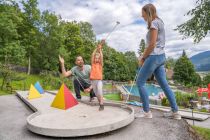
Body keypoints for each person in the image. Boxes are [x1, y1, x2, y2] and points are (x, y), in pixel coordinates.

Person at [136, 3, 181, 120]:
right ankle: (175, 112)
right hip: (161, 57)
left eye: (143, 14)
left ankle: (146, 112)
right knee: (164, 85)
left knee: (140, 82)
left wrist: (143, 58)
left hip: (154, 57)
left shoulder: (154, 23)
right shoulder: (160, 21)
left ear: (148, 13)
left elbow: (152, 44)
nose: (142, 16)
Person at [90, 40, 105, 111]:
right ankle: (101, 104)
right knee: (97, 94)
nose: (97, 59)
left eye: (98, 58)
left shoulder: (100, 64)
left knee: (99, 91)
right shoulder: (93, 64)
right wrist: (97, 48)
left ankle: (101, 105)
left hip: (99, 80)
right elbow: (93, 54)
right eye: (96, 58)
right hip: (93, 81)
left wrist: (100, 49)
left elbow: (101, 56)